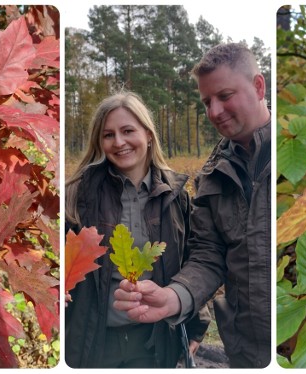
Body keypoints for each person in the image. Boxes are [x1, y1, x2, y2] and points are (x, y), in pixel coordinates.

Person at [114, 43, 271, 368]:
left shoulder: (303, 154)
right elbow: (208, 255)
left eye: (224, 96)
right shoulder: (212, 176)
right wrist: (174, 297)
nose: (214, 111)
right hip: (248, 352)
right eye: (206, 102)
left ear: (258, 87)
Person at [64, 91, 210, 368]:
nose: (119, 142)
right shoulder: (78, 195)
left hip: (153, 341)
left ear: (148, 134)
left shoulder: (175, 196)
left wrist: (197, 323)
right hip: (92, 342)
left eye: (127, 130)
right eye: (108, 135)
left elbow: (190, 260)